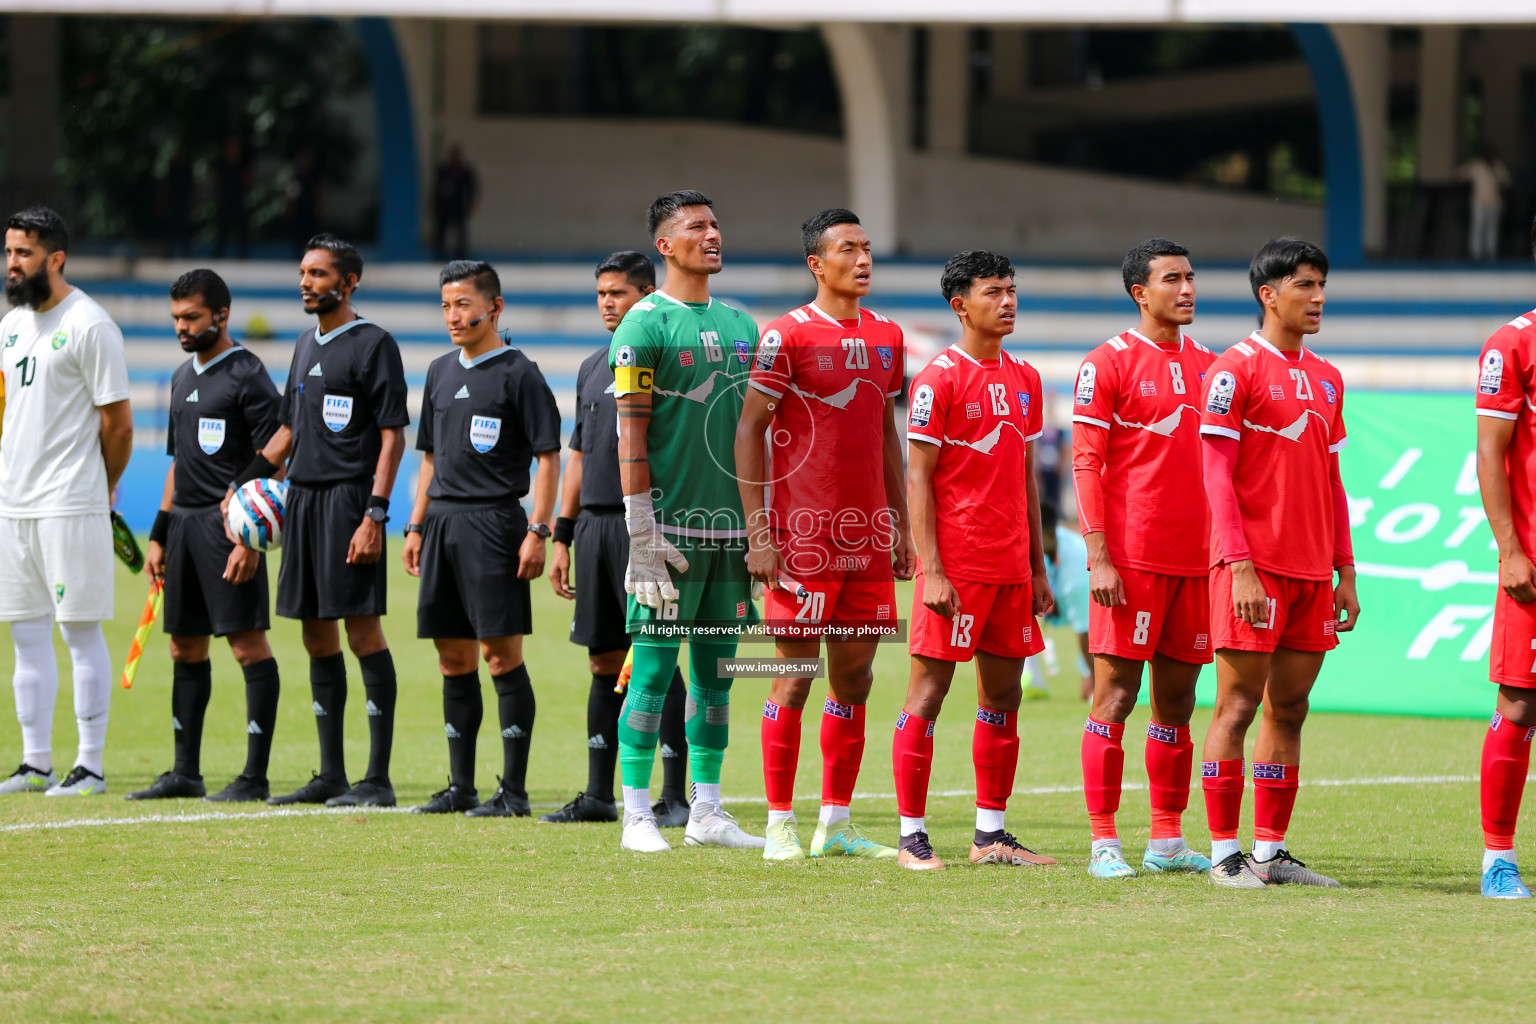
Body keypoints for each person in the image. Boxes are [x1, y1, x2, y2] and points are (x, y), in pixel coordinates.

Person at [736, 208, 913, 862]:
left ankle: (834, 822)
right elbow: (748, 430)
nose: (863, 259)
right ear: (817, 263)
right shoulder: (786, 336)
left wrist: (898, 520)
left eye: (867, 248)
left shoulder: (889, 336)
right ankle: (779, 821)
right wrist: (759, 532)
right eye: (848, 249)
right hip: (803, 537)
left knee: (856, 678)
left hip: (867, 538)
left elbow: (885, 436)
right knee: (795, 677)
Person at [1197, 238, 1359, 889]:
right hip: (1252, 569)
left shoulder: (1327, 377)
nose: (1317, 298)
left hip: (1311, 573)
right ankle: (1221, 854)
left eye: (1321, 286)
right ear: (1270, 294)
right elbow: (1215, 473)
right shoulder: (1233, 369)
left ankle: (1270, 851)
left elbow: (1333, 480)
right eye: (1305, 286)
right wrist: (1239, 564)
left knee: (1289, 709)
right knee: (1235, 709)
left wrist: (1345, 570)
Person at [610, 190, 763, 854]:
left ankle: (707, 809)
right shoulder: (642, 325)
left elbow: (759, 438)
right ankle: (637, 814)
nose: (713, 234)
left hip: (730, 534)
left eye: (716, 223)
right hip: (668, 536)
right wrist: (640, 532)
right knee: (650, 672)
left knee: (717, 677)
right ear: (665, 246)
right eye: (697, 227)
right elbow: (630, 436)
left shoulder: (742, 324)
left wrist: (762, 528)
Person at [892, 250, 1056, 871]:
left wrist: (1038, 567)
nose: (1008, 301)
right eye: (994, 292)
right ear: (961, 305)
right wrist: (931, 568)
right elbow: (918, 480)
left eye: (1012, 290)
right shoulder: (938, 378)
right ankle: (912, 836)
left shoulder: (1026, 379)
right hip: (957, 567)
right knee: (929, 692)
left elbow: (1026, 480)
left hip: (1012, 567)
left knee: (1004, 694)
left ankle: (991, 835)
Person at [237, 233, 409, 808]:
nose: (306, 282)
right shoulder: (305, 346)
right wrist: (244, 483)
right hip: (301, 501)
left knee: (361, 632)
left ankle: (378, 779)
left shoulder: (374, 344)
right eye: (304, 272)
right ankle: (330, 773)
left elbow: (392, 437)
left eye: (318, 273)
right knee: (314, 633)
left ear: (349, 281)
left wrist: (374, 514)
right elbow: (287, 429)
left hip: (348, 501)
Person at [1070, 238, 1217, 879]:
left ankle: (1165, 839)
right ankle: (1104, 841)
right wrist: (1098, 554)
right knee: (1116, 695)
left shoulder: (1216, 365)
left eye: (1190, 278)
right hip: (1132, 559)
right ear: (1141, 293)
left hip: (1199, 561)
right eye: (1171, 279)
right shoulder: (1106, 364)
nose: (1186, 289)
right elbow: (1086, 462)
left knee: (1178, 702)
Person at [403, 261, 560, 817]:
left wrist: (538, 530)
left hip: (495, 523)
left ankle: (513, 792)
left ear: (495, 306)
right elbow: (428, 456)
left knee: (499, 656)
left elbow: (547, 457)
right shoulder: (439, 370)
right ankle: (460, 787)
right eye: (446, 305)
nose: (454, 315)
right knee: (452, 657)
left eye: (464, 304)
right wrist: (416, 523)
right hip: (441, 522)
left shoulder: (521, 373)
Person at [541, 251, 692, 827]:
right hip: (595, 530)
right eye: (601, 294)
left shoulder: (665, 363)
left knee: (658, 659)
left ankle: (677, 795)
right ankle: (598, 794)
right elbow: (577, 455)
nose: (607, 303)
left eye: (619, 294)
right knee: (603, 659)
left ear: (646, 297)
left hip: (646, 527)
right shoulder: (588, 366)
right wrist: (561, 533)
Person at [130, 270, 284, 803]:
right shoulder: (179, 377)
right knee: (183, 647)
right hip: (184, 527)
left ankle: (254, 776)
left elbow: (274, 460)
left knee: (246, 646)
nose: (181, 326)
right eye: (175, 317)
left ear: (221, 315)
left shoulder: (248, 375)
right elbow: (177, 465)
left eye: (191, 317)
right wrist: (158, 533)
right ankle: (184, 772)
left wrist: (250, 539)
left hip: (228, 529)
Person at [0, 206, 132, 797]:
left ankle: (91, 764)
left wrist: (101, 486)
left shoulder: (90, 323)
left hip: (71, 503)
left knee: (78, 632)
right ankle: (35, 763)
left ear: (55, 259)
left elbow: (119, 425)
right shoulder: (10, 326)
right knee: (25, 636)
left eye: (22, 254)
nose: (12, 265)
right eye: (8, 253)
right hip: (13, 504)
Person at [1471, 214, 1536, 898]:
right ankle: (1498, 858)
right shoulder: (1513, 343)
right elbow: (1491, 452)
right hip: (1534, 562)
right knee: (1520, 705)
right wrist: (1509, 549)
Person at [1034, 503, 1091, 703]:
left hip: (1097, 621)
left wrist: (1095, 682)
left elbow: (1085, 633)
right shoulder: (1046, 543)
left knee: (1090, 694)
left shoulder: (1076, 567)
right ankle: (1031, 679)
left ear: (1049, 536)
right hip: (1070, 605)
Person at [1459, 147, 1509, 263]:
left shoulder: (1498, 167)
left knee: (1492, 228)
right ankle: (1476, 254)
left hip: (1494, 202)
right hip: (1479, 202)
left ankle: (1491, 253)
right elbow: (1461, 174)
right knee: (1477, 226)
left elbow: (1507, 181)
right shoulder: (1477, 166)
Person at [434, 145, 478, 261]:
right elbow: (436, 189)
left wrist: (470, 205)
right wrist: (435, 204)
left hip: (459, 206)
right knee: (441, 232)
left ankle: (461, 255)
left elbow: (472, 190)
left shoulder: (464, 172)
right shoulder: (444, 171)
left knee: (461, 233)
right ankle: (440, 254)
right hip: (445, 207)